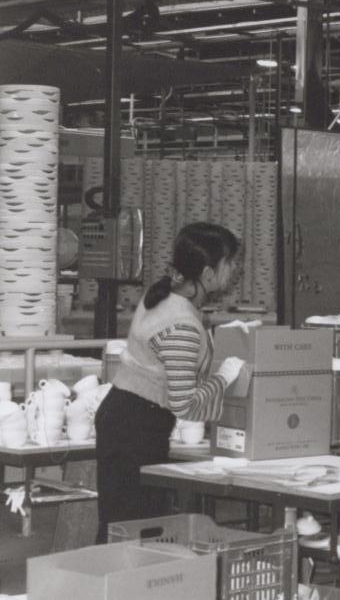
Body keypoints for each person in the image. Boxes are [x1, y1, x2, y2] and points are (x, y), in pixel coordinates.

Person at [94, 222, 245, 542]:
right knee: (133, 529)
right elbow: (184, 403)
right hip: (135, 426)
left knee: (123, 526)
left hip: (128, 416)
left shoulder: (164, 295)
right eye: (230, 262)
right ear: (207, 273)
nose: (234, 269)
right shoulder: (181, 322)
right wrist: (224, 378)